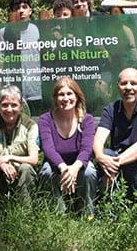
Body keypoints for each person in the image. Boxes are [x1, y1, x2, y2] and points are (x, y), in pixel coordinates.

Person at [93, 68, 137, 199]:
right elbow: (99, 139)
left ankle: (136, 206)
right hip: (116, 156)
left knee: (131, 163)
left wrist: (114, 163)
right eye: (124, 83)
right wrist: (100, 156)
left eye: (133, 83)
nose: (128, 87)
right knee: (105, 154)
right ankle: (105, 203)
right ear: (118, 87)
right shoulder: (111, 109)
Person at [38, 77, 98, 215]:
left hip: (78, 164)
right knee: (47, 171)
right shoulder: (45, 119)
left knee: (89, 171)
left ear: (77, 96)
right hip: (57, 164)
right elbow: (48, 149)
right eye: (61, 94)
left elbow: (87, 149)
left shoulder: (87, 120)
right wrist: (64, 168)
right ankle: (57, 215)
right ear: (55, 98)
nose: (66, 98)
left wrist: (75, 168)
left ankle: (87, 215)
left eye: (69, 94)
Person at [0, 85, 39, 205]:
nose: (9, 109)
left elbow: (34, 159)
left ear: (21, 107)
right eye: (5, 105)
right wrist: (1, 163)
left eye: (14, 105)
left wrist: (10, 158)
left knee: (26, 168)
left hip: (22, 173)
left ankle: (24, 212)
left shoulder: (30, 125)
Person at [0, 0, 43, 111]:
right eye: (17, 8)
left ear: (30, 11)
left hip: (35, 92)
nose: (21, 11)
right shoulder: (3, 33)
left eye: (24, 7)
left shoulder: (38, 30)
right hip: (11, 93)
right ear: (11, 12)